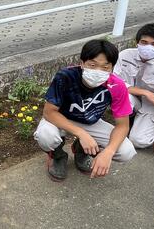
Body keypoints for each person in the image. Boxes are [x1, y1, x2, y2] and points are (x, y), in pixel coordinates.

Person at [34, 39, 136, 181]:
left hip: (90, 121)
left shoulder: (117, 86)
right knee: (46, 136)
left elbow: (123, 126)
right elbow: (49, 112)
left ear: (112, 67)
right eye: (92, 65)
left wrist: (108, 152)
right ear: (82, 63)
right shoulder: (66, 77)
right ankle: (58, 155)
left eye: (105, 67)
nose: (98, 71)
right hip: (61, 118)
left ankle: (81, 151)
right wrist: (81, 134)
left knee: (126, 151)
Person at [113, 23, 154, 160]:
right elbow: (114, 83)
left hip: (151, 107)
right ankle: (130, 124)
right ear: (137, 42)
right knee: (120, 96)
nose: (148, 47)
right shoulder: (124, 56)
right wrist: (145, 92)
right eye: (144, 42)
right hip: (132, 98)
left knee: (138, 141)